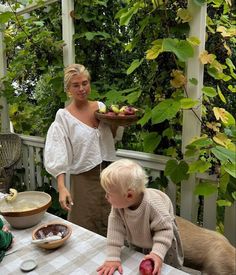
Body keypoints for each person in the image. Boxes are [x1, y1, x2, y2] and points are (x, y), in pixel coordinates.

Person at [44, 64, 121, 236]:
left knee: (112, 223)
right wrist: (62, 187)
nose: (82, 89)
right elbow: (58, 152)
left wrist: (116, 122)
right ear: (68, 90)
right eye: (76, 85)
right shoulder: (64, 117)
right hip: (85, 180)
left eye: (85, 83)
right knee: (85, 228)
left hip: (110, 177)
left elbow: (112, 137)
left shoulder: (100, 107)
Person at [97, 159, 183, 275]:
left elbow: (165, 231)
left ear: (129, 195)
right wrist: (112, 258)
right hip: (139, 239)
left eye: (109, 194)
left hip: (162, 242)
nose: (106, 196)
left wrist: (157, 254)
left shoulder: (152, 205)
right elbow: (114, 231)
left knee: (165, 269)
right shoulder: (119, 205)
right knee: (136, 260)